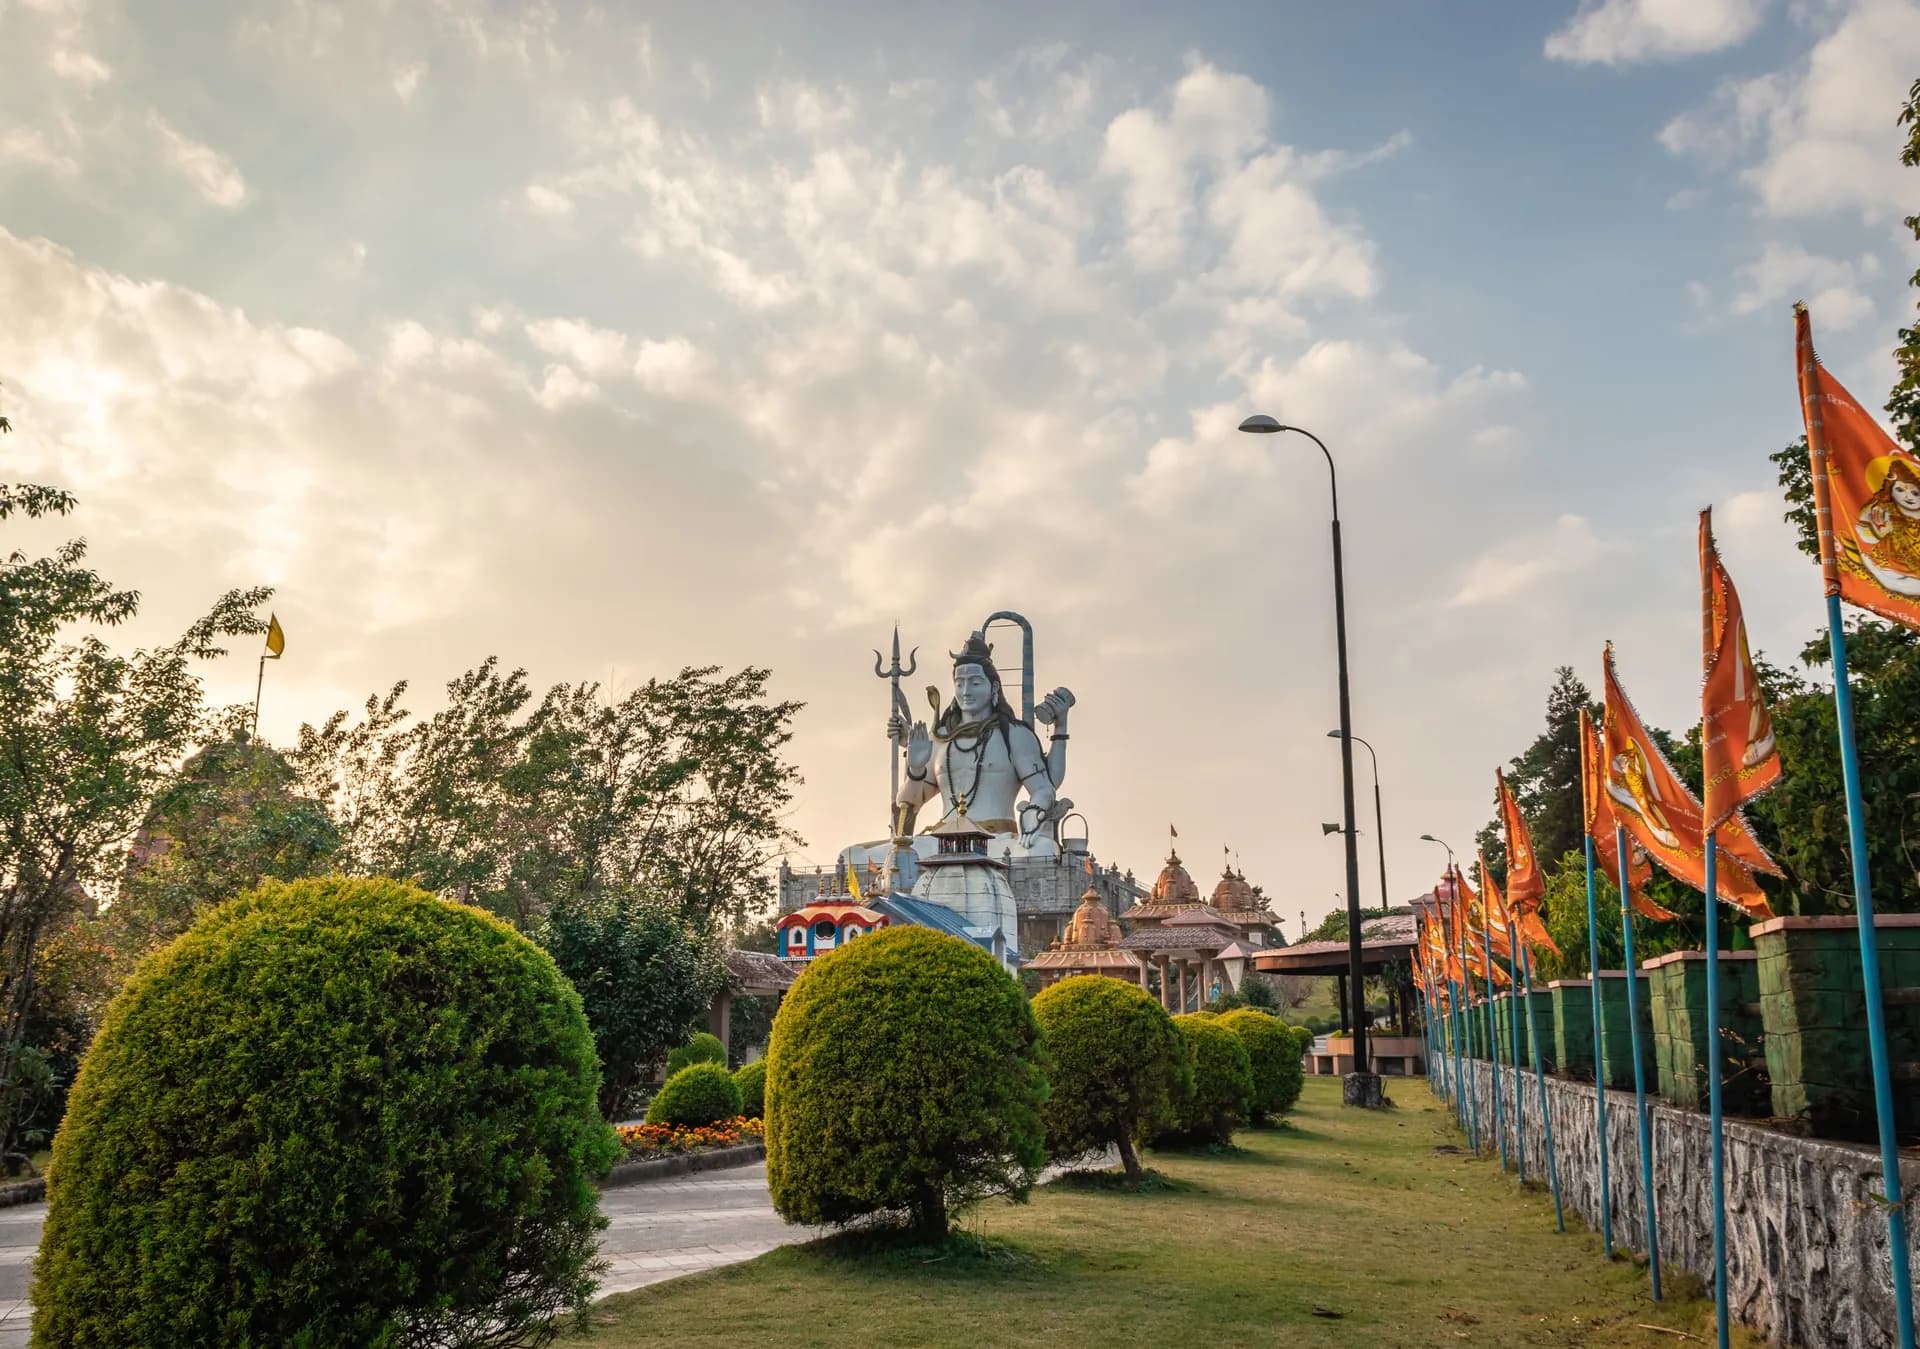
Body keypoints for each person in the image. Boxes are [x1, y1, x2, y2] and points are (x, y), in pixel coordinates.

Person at [887, 631, 1074, 846]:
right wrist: (916, 769)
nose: (966, 691)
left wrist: (1033, 813)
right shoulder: (941, 740)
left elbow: (1044, 789)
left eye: (975, 683)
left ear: (993, 687)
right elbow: (906, 804)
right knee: (857, 853)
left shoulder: (1015, 735)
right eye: (960, 684)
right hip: (945, 839)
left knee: (1043, 848)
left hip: (997, 840)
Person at [1856, 455, 1920, 598]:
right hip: (1893, 565)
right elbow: (1864, 532)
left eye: (1914, 492)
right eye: (1900, 490)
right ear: (1891, 491)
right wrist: (1880, 529)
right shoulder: (1884, 510)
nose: (1908, 497)